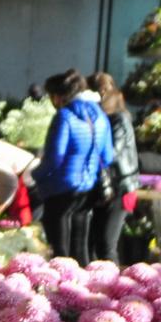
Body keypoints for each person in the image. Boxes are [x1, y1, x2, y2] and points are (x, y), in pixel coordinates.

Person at [36, 69, 112, 262]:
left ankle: (59, 291)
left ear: (57, 96)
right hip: (88, 189)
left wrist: (34, 175)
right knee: (80, 250)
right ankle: (84, 289)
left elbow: (55, 158)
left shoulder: (64, 116)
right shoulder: (101, 116)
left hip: (60, 189)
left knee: (59, 252)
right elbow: (108, 155)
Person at [90, 71, 140, 265]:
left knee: (106, 243)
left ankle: (112, 287)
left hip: (121, 186)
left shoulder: (119, 119)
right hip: (114, 184)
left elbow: (112, 152)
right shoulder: (113, 118)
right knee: (100, 243)